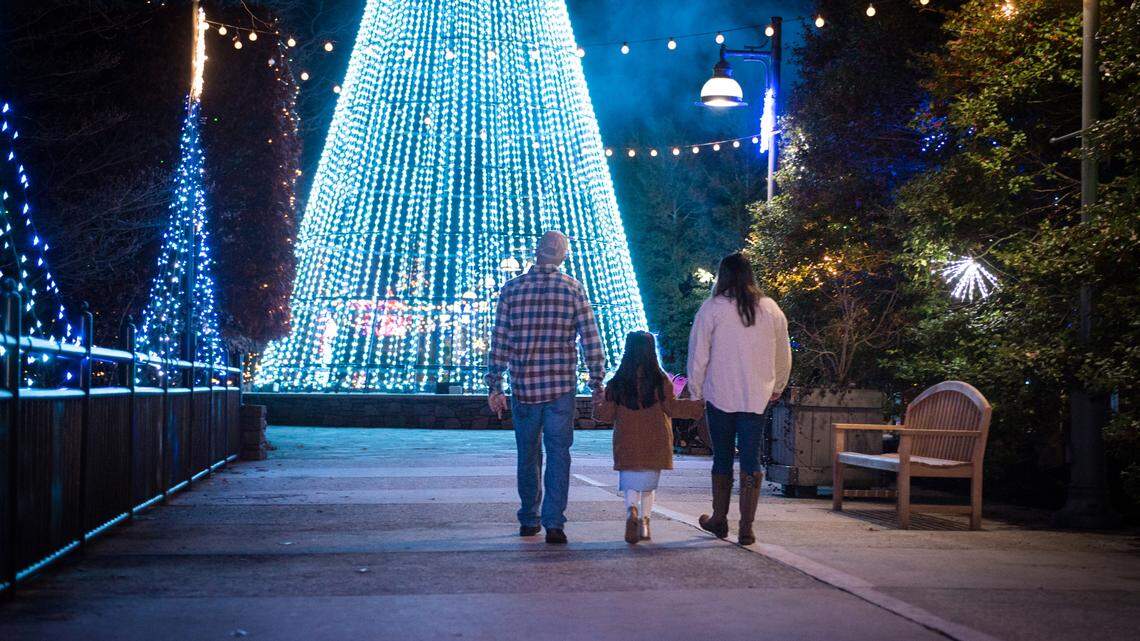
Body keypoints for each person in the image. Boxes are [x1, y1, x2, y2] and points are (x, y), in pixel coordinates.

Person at [486, 230, 605, 545]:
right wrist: (597, 382)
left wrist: (494, 385)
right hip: (560, 388)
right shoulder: (573, 290)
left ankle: (529, 518)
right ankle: (554, 523)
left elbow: (500, 342)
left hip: (524, 388)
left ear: (536, 252)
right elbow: (591, 339)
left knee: (527, 454)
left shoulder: (511, 291)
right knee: (559, 454)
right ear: (562, 256)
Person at [686, 253, 791, 545]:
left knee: (721, 457)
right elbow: (783, 352)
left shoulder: (712, 308)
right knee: (751, 457)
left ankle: (719, 519)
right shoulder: (770, 309)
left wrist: (695, 391)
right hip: (757, 395)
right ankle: (747, 527)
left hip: (720, 394)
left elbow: (698, 354)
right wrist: (778, 384)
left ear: (723, 276)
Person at [595, 332, 704, 544]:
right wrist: (697, 406)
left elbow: (606, 415)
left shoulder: (618, 381)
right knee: (648, 486)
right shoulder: (659, 379)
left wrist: (597, 405)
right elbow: (672, 407)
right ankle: (644, 523)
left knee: (630, 483)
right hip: (655, 440)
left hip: (627, 440)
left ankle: (630, 512)